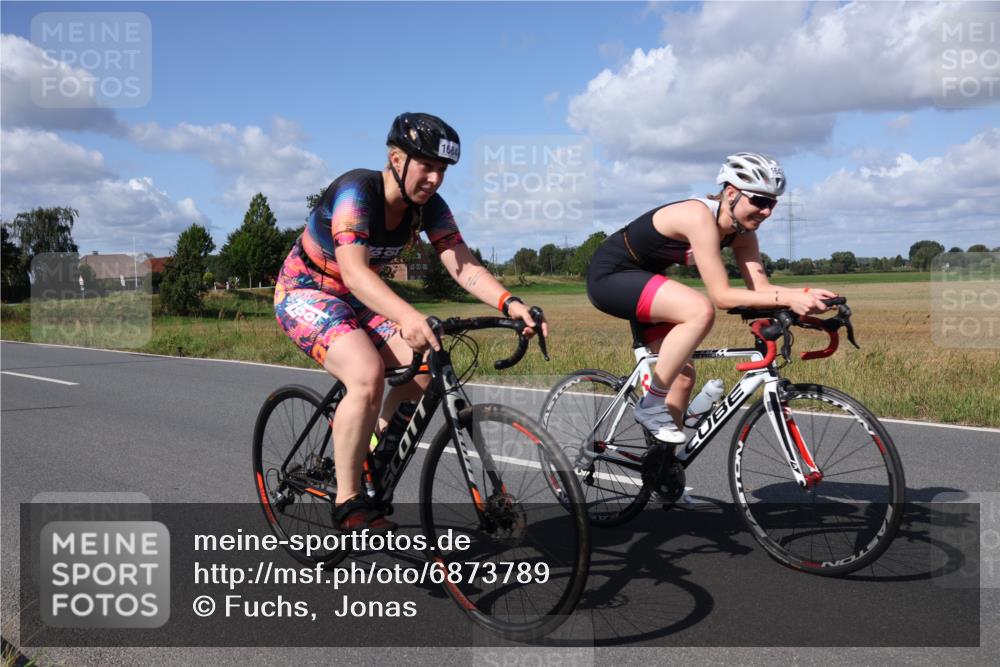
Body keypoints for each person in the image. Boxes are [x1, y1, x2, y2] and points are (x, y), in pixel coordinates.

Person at [274, 112, 546, 532]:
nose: (435, 179)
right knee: (365, 374)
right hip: (306, 291)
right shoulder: (356, 193)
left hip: (359, 299)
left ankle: (372, 455)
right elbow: (355, 273)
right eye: (427, 166)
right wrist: (408, 315)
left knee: (424, 360)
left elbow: (462, 264)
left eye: (442, 170)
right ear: (396, 159)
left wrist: (510, 303)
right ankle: (348, 501)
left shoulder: (429, 207)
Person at [586, 152, 837, 444]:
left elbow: (761, 289)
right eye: (759, 201)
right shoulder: (698, 216)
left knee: (681, 378)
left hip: (645, 281)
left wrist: (805, 295)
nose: (767, 211)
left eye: (772, 203)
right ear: (731, 193)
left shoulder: (741, 233)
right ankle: (651, 404)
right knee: (699, 309)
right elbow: (722, 296)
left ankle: (663, 477)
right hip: (611, 276)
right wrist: (789, 298)